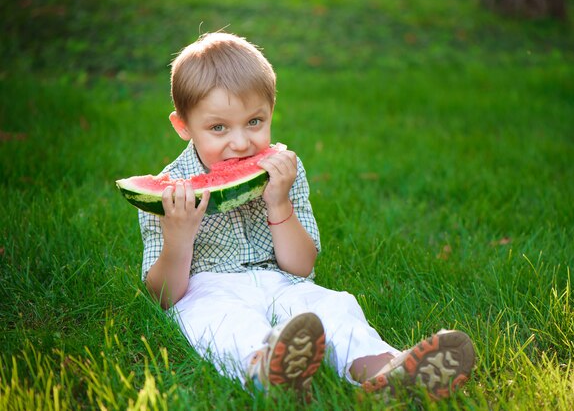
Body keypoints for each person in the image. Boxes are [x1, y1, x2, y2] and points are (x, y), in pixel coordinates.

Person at [138, 31, 475, 401]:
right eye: (218, 127)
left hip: (281, 281)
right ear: (183, 126)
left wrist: (279, 204)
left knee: (332, 308)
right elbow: (164, 296)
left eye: (255, 122)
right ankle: (266, 370)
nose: (240, 142)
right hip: (207, 290)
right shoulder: (171, 195)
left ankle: (383, 370)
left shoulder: (282, 172)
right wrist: (179, 236)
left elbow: (300, 268)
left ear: (271, 112)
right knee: (222, 324)